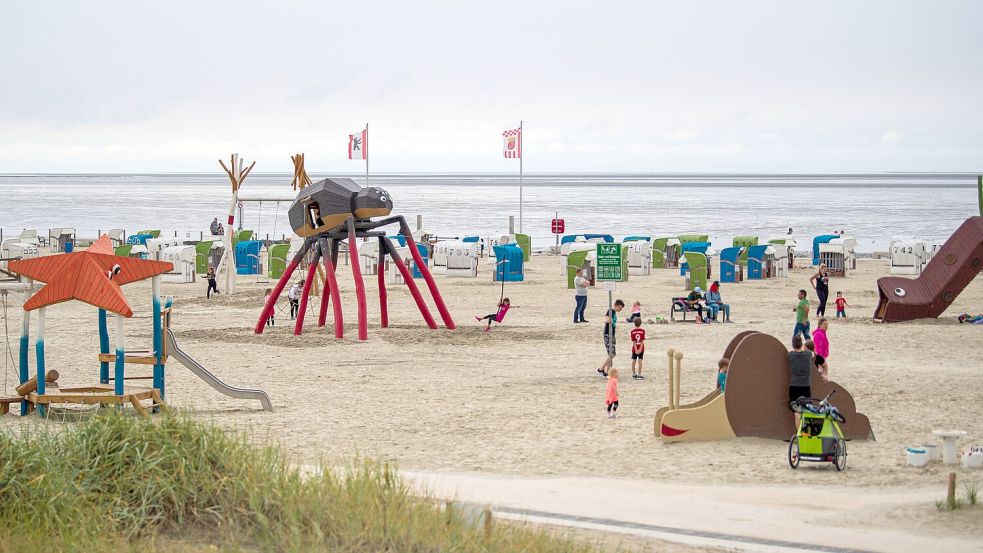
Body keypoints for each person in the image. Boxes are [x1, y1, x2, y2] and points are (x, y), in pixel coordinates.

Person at [788, 335, 812, 428]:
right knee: (806, 410)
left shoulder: (790, 355)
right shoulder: (809, 354)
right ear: (802, 344)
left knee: (797, 412)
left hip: (794, 386)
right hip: (806, 386)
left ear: (793, 345)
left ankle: (799, 435)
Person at [597, 299, 625, 377]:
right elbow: (606, 320)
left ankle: (608, 371)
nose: (620, 310)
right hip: (607, 335)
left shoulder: (614, 312)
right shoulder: (610, 311)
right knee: (612, 354)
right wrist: (610, 320)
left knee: (611, 354)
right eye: (620, 308)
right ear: (615, 306)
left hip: (611, 335)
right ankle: (601, 369)